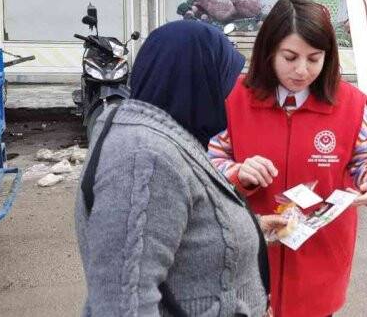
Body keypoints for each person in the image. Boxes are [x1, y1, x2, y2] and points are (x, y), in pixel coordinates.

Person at [209, 0, 367, 317]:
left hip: (322, 254)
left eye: (314, 59)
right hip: (251, 254)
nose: (302, 70)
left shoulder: (350, 104)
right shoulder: (236, 99)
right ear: (269, 50)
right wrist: (236, 171)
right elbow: (210, 159)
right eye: (290, 57)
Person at [76, 21, 279, 316]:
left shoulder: (161, 136)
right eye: (222, 83)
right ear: (198, 81)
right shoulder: (144, 159)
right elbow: (124, 303)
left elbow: (168, 232)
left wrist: (249, 230)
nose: (227, 98)